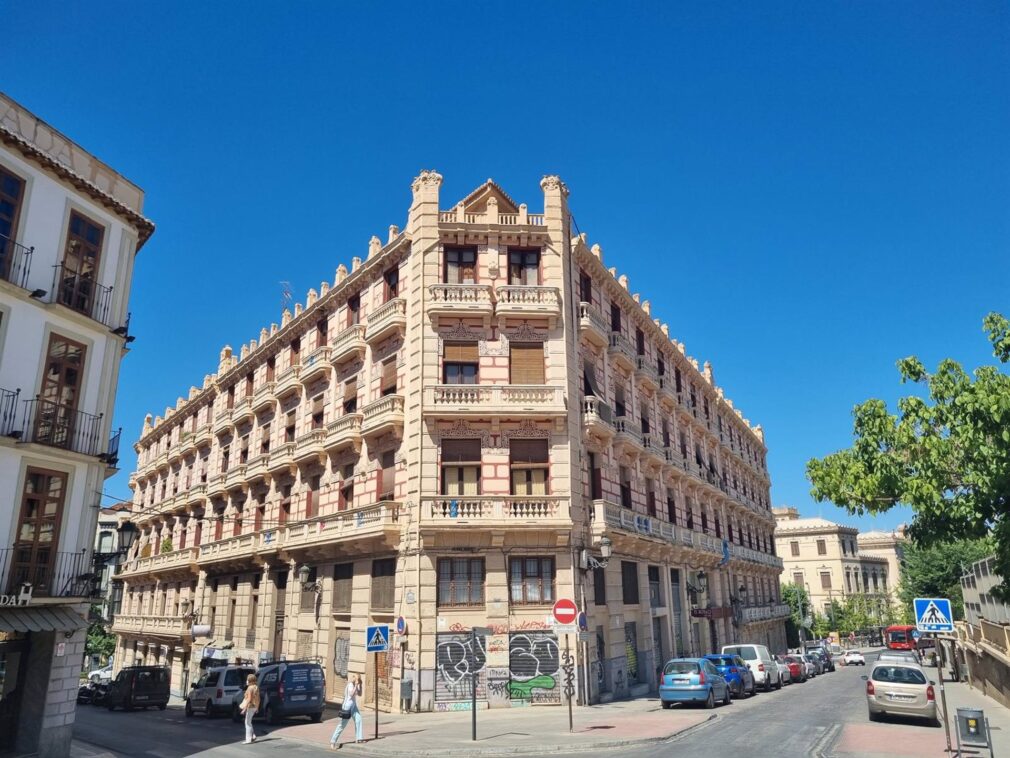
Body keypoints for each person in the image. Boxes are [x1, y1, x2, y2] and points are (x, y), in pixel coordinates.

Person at [330, 674, 364, 749]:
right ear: (354, 679)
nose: (358, 680)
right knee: (342, 725)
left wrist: (360, 685)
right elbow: (351, 694)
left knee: (358, 720)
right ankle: (333, 741)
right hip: (347, 707)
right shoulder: (350, 685)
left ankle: (359, 738)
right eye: (357, 679)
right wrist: (356, 685)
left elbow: (360, 694)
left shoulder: (356, 684)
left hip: (353, 706)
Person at [239, 673, 260, 745]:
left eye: (247, 680)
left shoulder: (250, 688)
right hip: (254, 706)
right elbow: (258, 699)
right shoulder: (256, 687)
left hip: (250, 706)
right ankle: (253, 736)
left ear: (250, 681)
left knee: (247, 723)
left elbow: (249, 699)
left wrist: (244, 708)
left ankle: (248, 739)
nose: (246, 681)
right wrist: (257, 707)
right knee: (249, 722)